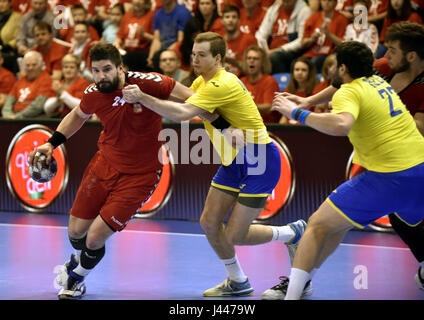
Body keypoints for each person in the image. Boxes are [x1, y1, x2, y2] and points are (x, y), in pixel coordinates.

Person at [121, 31, 308, 297]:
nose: (194, 59)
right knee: (209, 222)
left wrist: (143, 97)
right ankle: (237, 281)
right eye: (193, 54)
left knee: (234, 235)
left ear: (218, 58)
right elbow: (197, 105)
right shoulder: (202, 82)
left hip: (260, 161)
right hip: (233, 161)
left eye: (201, 55)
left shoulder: (222, 84)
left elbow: (184, 112)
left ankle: (291, 232)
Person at [27, 41, 201, 300]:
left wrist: (223, 121)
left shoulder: (150, 83)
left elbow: (194, 98)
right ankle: (79, 262)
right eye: (95, 71)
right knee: (76, 232)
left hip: (141, 174)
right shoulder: (93, 92)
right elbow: (77, 115)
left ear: (121, 67)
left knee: (95, 239)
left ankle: (75, 279)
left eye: (106, 69)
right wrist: (52, 143)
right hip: (104, 164)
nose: (101, 76)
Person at [269, 41, 424, 300]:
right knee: (337, 225)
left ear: (342, 68)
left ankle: (293, 295)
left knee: (316, 225)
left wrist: (297, 112)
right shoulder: (379, 81)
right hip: (419, 170)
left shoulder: (349, 92)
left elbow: (341, 124)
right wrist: (308, 99)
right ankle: (303, 282)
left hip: (389, 178)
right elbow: (341, 88)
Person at [255, 0, 312, 74]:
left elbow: (302, 40)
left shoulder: (304, 11)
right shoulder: (274, 9)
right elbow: (260, 35)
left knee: (274, 57)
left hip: (291, 52)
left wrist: (278, 50)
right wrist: (264, 51)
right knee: (253, 56)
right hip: (270, 51)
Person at [2, 50, 54, 119]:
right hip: (14, 117)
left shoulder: (46, 80)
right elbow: (8, 102)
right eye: (27, 65)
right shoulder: (20, 81)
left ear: (41, 65)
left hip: (33, 118)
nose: (30, 68)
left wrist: (17, 117)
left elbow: (38, 106)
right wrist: (8, 116)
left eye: (34, 65)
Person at [301, 0, 349, 72]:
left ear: (335, 3)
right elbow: (303, 43)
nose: (326, 3)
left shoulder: (342, 19)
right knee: (297, 63)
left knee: (315, 62)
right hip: (311, 53)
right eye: (324, 0)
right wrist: (312, 38)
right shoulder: (313, 18)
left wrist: (328, 34)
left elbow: (343, 44)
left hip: (330, 54)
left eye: (330, 1)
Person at [239, 45, 282, 123]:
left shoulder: (270, 81)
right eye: (249, 58)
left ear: (262, 62)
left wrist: (244, 106)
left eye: (255, 58)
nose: (251, 61)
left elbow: (268, 108)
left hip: (266, 127)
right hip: (245, 125)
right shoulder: (241, 81)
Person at [147, 0, 192, 71]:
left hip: (178, 49)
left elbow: (180, 40)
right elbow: (157, 40)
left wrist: (165, 53)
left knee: (159, 58)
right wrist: (151, 56)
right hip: (163, 49)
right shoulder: (158, 13)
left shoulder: (183, 12)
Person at [114, 0, 155, 72]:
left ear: (146, 3)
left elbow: (156, 39)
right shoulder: (127, 15)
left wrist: (144, 35)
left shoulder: (151, 15)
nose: (137, 2)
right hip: (127, 51)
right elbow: (120, 36)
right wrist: (117, 44)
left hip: (143, 52)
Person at [221, 5, 257, 76]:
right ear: (222, 21)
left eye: (234, 17)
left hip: (243, 81)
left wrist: (235, 62)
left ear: (239, 21)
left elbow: (255, 70)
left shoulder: (250, 39)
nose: (230, 20)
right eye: (227, 17)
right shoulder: (218, 41)